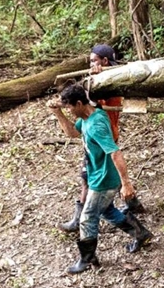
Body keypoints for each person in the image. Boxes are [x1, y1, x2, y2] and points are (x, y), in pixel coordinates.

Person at [47, 84, 153, 274]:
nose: (69, 111)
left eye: (69, 107)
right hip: (98, 174)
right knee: (106, 211)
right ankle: (141, 234)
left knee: (87, 219)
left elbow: (115, 152)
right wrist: (58, 113)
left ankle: (87, 259)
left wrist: (126, 184)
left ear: (79, 103)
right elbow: (72, 133)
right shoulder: (88, 117)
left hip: (104, 179)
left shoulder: (96, 125)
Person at [59, 44, 145, 233]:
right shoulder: (101, 82)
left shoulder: (109, 84)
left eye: (94, 61)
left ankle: (81, 219)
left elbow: (93, 102)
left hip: (102, 135)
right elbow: (76, 126)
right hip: (96, 134)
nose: (91, 64)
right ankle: (133, 205)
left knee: (91, 179)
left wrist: (98, 77)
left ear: (105, 62)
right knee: (92, 181)